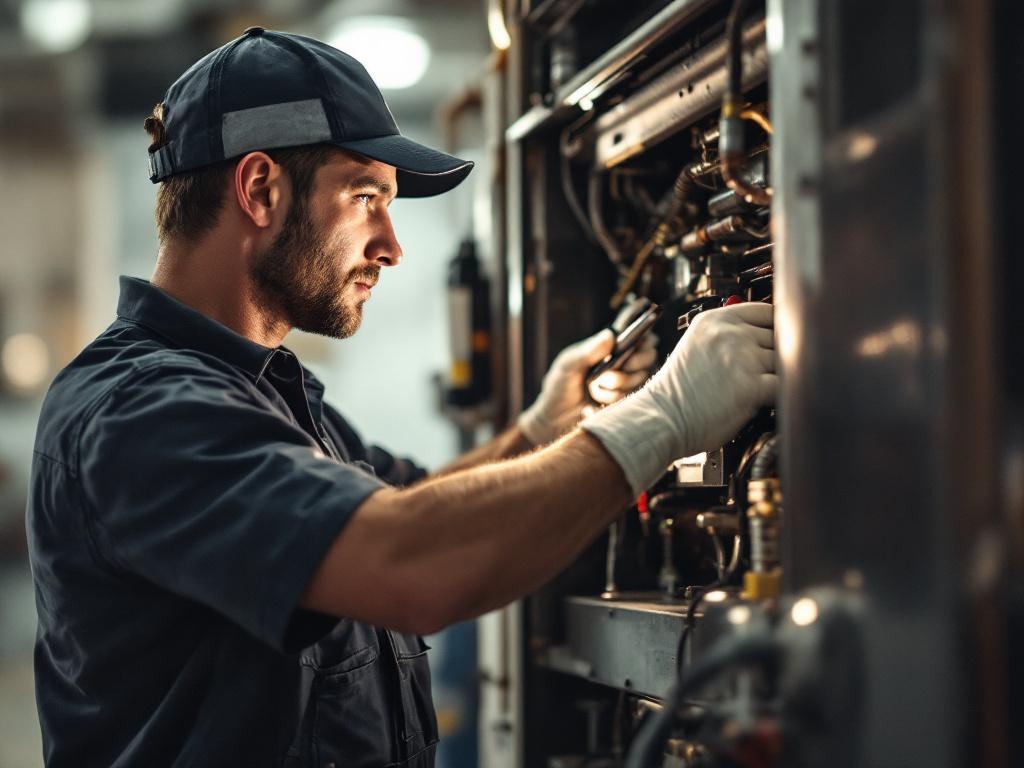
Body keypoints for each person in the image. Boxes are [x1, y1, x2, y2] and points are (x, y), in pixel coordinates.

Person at [26, 27, 776, 768]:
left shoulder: (266, 394)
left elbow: (410, 504)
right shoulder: (140, 411)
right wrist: (661, 422)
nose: (391, 244)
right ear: (259, 189)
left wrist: (543, 431)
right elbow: (409, 561)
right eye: (366, 197)